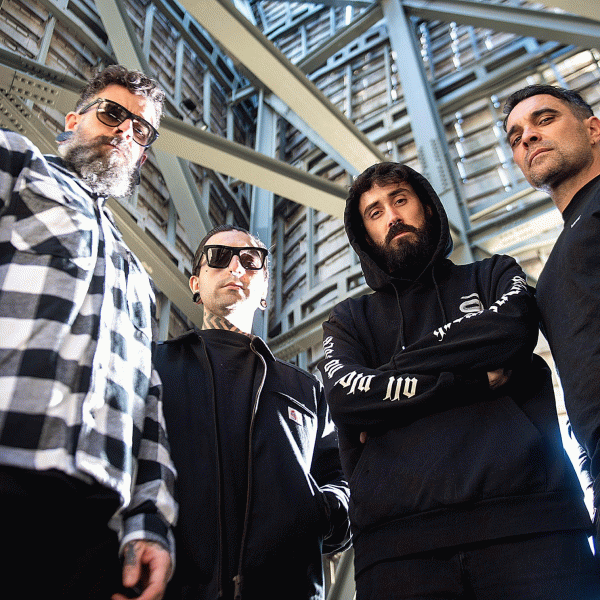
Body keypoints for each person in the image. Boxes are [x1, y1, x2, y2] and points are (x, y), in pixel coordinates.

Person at [318, 161, 599, 599]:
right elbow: (346, 396)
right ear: (364, 236)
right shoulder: (350, 320)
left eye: (400, 200)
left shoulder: (494, 275)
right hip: (398, 550)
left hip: (534, 525)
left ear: (428, 208)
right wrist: (468, 383)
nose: (392, 217)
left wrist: (389, 377)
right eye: (375, 212)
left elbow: (510, 331)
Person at [0, 65, 177, 600]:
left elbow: (148, 406)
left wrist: (148, 522)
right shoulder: (20, 167)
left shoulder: (137, 278)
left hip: (89, 521)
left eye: (140, 130)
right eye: (112, 113)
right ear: (73, 121)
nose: (124, 130)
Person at [153, 224, 351, 600]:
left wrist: (317, 511)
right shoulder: (153, 365)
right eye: (219, 257)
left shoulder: (304, 389)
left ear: (264, 293)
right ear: (195, 284)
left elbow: (340, 478)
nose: (236, 267)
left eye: (250, 260)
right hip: (173, 586)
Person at [503, 84, 600, 554]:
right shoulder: (554, 267)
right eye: (515, 135)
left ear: (593, 129)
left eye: (544, 119)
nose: (528, 136)